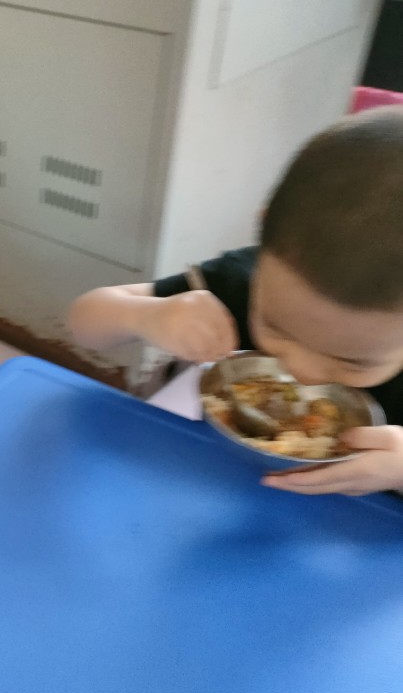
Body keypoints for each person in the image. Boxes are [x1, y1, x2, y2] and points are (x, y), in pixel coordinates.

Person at [69, 106, 403, 498]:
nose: (301, 373)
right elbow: (84, 323)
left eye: (353, 361)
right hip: (201, 486)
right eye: (276, 327)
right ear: (263, 237)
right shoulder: (237, 282)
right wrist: (143, 316)